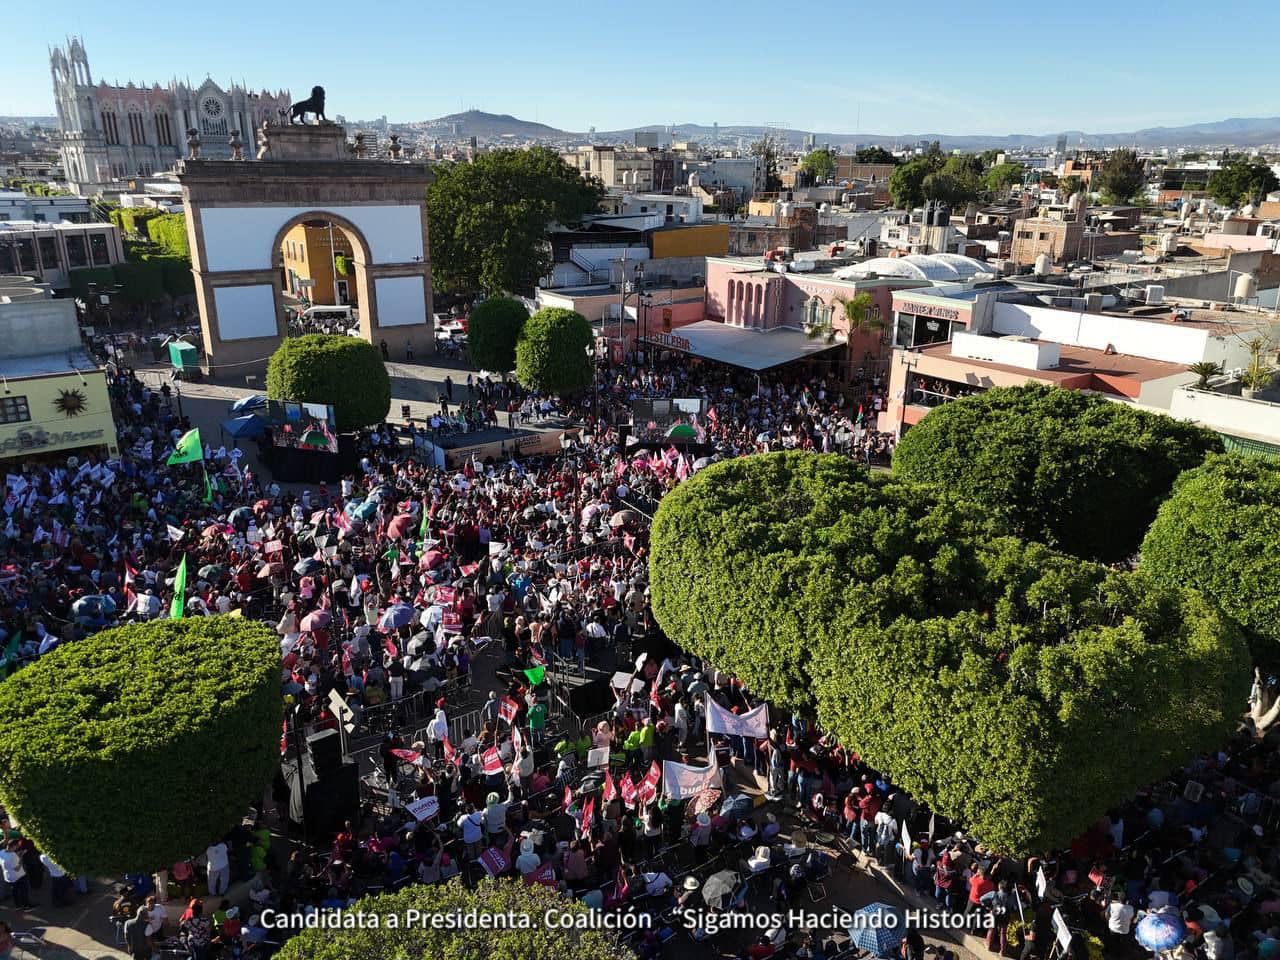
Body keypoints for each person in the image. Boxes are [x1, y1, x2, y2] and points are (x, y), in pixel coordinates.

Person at [0, 839, 29, 909]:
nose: (18, 848)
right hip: (18, 876)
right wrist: (21, 856)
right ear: (14, 846)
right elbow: (17, 868)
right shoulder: (12, 856)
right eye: (17, 847)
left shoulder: (1, 852)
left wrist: (18, 854)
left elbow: (8, 862)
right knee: (23, 891)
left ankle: (17, 905)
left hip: (8, 876)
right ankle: (26, 906)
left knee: (14, 891)